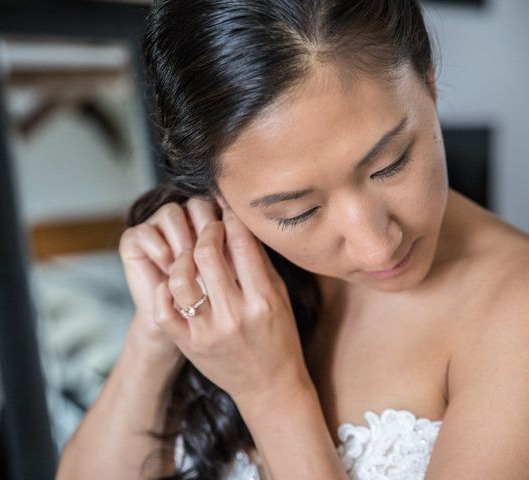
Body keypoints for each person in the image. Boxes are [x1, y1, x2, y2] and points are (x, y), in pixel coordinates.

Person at [56, 1, 529, 479]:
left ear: (428, 81)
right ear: (218, 192)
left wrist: (272, 394)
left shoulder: (515, 314)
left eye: (391, 164)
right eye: (297, 212)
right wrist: (157, 333)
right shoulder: (222, 278)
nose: (376, 247)